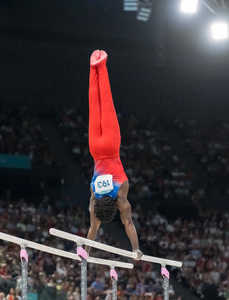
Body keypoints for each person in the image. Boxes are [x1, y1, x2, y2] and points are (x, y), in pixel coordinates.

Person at [86, 50, 142, 259]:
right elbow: (92, 229)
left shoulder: (121, 197)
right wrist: (86, 251)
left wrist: (136, 249)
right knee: (95, 105)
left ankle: (102, 65)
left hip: (111, 147)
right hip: (95, 150)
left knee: (106, 103)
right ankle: (93, 67)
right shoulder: (94, 199)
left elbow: (128, 223)